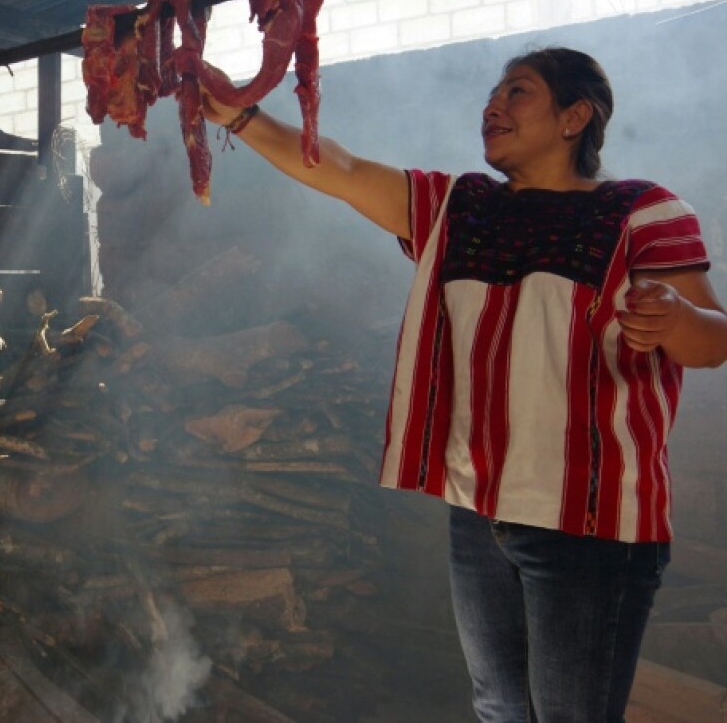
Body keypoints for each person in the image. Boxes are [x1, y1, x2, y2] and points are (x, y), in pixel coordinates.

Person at [201, 47, 727, 721]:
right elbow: (342, 169)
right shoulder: (459, 207)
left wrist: (674, 319)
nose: (493, 106)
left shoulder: (643, 212)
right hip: (479, 515)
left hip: (590, 524)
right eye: (493, 94)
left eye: (518, 93)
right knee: (500, 708)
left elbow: (712, 341)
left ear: (575, 117)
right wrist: (240, 116)